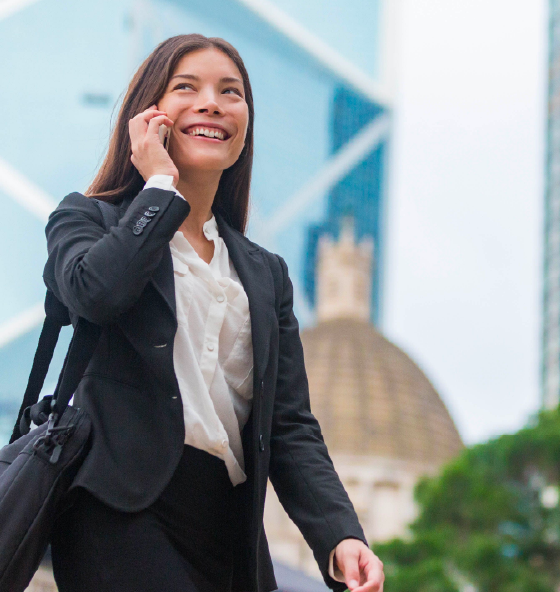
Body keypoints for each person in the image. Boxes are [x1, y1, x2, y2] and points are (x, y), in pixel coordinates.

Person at [43, 33, 383, 592]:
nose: (212, 103)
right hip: (121, 512)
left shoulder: (263, 273)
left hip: (230, 530)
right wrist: (158, 186)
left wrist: (340, 535)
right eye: (187, 88)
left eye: (231, 92)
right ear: (146, 114)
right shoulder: (87, 219)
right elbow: (95, 294)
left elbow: (290, 425)